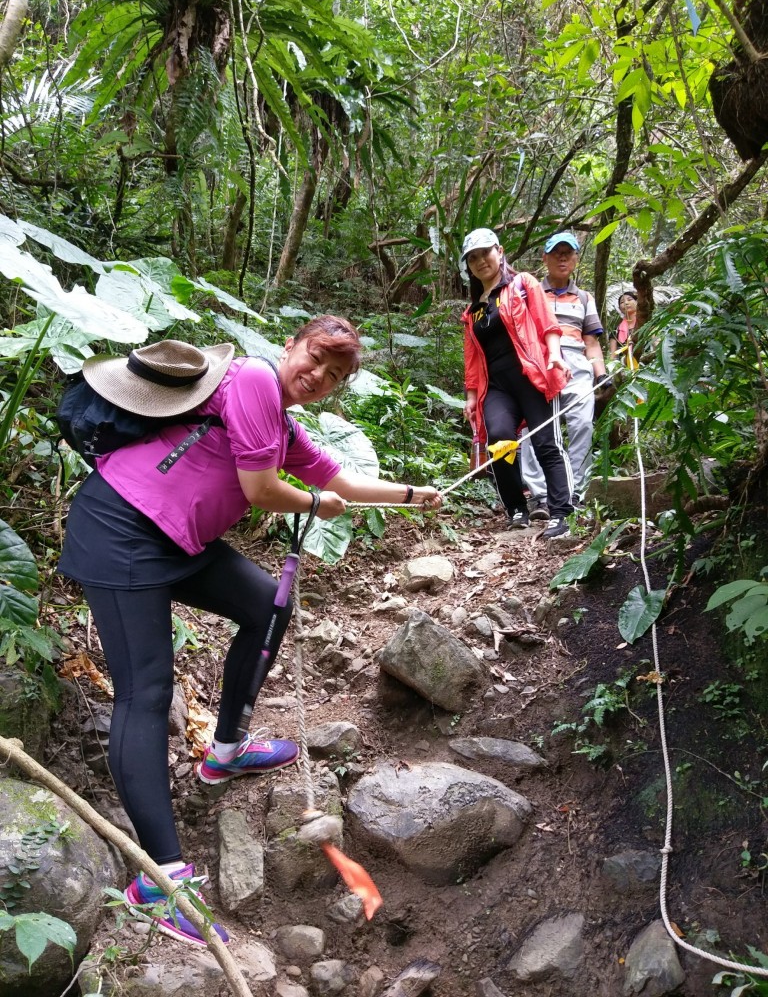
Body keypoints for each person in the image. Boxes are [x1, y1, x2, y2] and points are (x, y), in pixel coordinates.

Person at [58, 319, 441, 946]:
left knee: (267, 604)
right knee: (146, 693)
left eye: (335, 377)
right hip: (121, 531)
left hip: (178, 539)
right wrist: (314, 506)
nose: (319, 378)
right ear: (292, 346)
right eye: (316, 360)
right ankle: (158, 882)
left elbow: (338, 482)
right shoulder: (257, 379)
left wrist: (410, 493)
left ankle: (226, 753)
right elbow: (262, 490)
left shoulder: (281, 420)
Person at [459, 227, 574, 540]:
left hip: (532, 375)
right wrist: (471, 397)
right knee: (499, 440)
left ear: (499, 251)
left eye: (486, 252)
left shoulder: (523, 284)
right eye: (473, 257)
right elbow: (472, 359)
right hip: (496, 387)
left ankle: (561, 513)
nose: (481, 260)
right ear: (468, 265)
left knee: (546, 443)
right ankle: (517, 509)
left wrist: (554, 356)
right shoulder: (471, 312)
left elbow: (546, 323)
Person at [520, 231, 609, 511]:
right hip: (540, 363)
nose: (562, 257)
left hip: (577, 365)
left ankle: (574, 491)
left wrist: (600, 373)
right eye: (556, 252)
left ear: (575, 259)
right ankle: (541, 494)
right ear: (544, 258)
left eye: (568, 253)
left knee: (582, 424)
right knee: (537, 428)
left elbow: (591, 342)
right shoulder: (529, 293)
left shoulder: (584, 298)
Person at [609, 289, 638, 359]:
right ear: (620, 308)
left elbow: (656, 344)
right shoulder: (615, 331)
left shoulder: (647, 324)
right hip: (625, 366)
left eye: (629, 299)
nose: (626, 303)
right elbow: (613, 356)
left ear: (637, 302)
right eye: (622, 302)